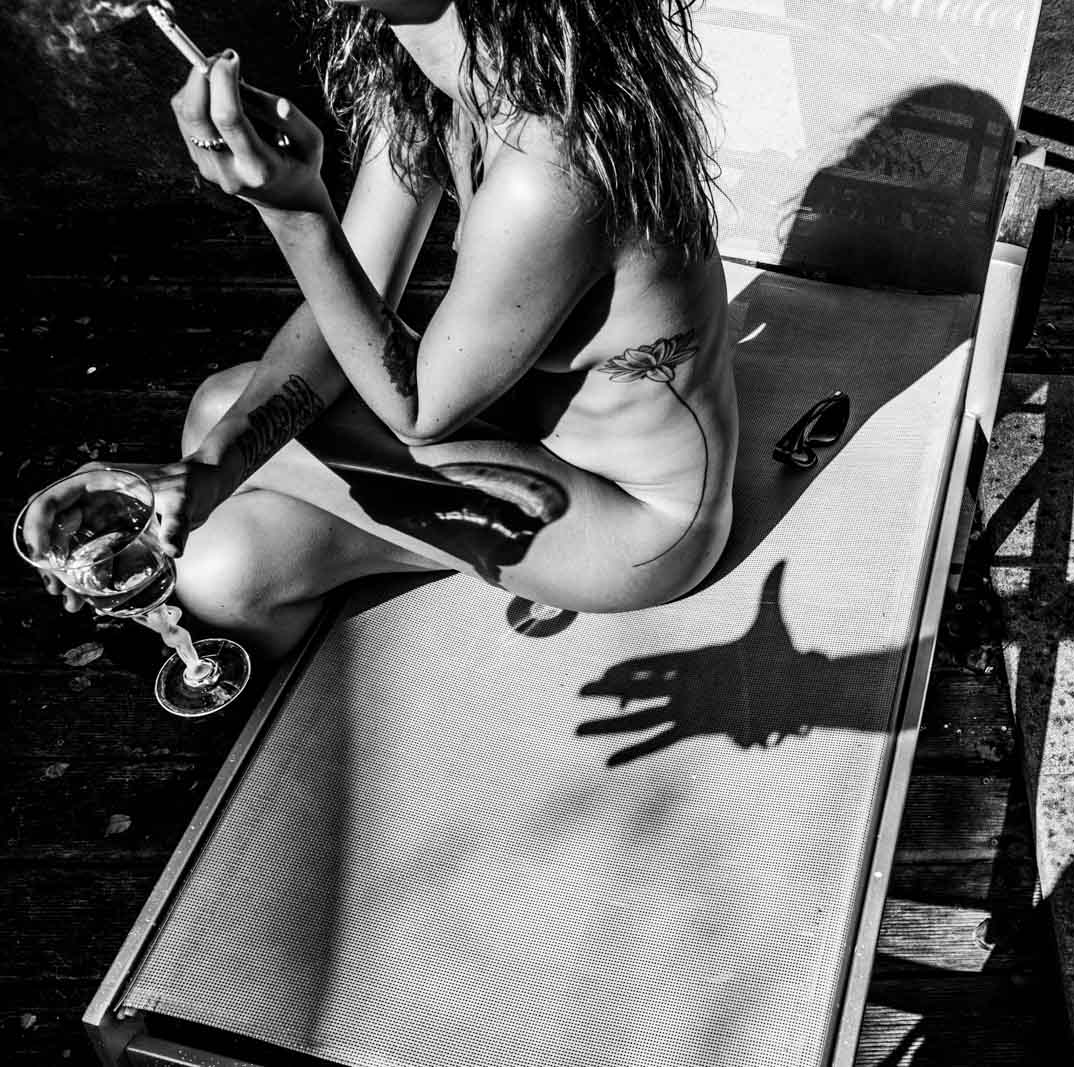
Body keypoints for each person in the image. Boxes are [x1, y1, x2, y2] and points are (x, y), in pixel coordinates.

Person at [53, 0, 738, 659]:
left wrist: (295, 213)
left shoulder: (551, 169)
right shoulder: (431, 75)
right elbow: (348, 306)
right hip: (519, 440)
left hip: (634, 526)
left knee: (220, 411)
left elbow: (419, 411)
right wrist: (203, 476)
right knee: (222, 571)